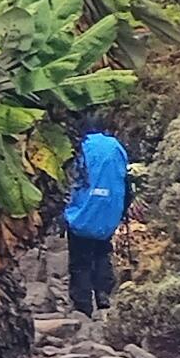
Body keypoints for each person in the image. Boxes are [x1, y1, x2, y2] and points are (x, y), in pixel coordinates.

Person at [60, 124, 131, 318]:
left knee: (80, 260)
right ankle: (103, 294)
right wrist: (122, 209)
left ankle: (82, 306)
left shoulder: (79, 146)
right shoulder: (115, 147)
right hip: (107, 211)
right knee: (102, 252)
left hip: (82, 211)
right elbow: (125, 180)